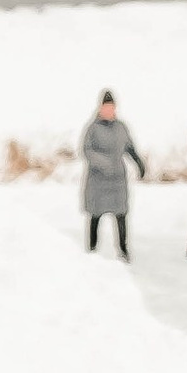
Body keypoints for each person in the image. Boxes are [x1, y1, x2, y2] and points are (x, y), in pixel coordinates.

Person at [79, 91, 143, 258]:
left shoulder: (121, 127)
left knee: (121, 214)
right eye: (106, 107)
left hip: (117, 180)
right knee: (96, 214)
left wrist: (138, 162)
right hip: (98, 180)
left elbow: (129, 146)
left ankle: (123, 250)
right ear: (101, 108)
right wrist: (103, 163)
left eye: (112, 107)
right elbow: (86, 150)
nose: (109, 110)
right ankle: (92, 249)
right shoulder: (92, 128)